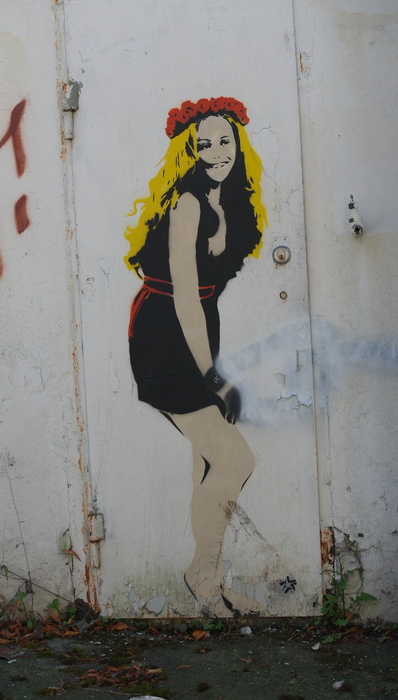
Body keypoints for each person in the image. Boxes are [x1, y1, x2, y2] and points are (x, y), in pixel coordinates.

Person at [125, 97, 267, 616]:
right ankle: (201, 576)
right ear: (190, 151)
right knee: (235, 459)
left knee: (207, 463)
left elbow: (204, 293)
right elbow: (185, 293)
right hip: (166, 334)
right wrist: (213, 376)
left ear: (238, 144)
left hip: (196, 326)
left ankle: (211, 583)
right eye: (204, 145)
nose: (216, 152)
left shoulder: (227, 198)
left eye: (224, 141)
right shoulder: (187, 202)